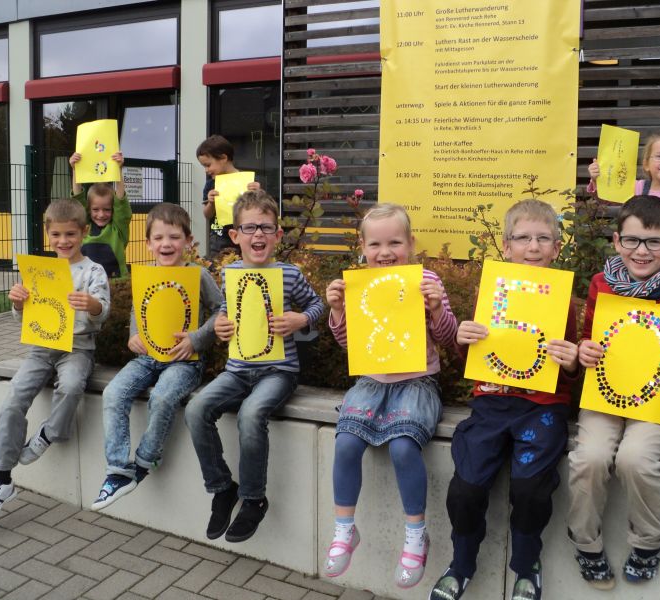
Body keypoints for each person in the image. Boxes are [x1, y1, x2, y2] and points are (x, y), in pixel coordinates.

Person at [429, 199, 580, 600]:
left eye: (543, 238)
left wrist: (571, 362)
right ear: (506, 245)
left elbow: (574, 368)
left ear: (556, 247)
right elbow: (477, 357)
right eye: (523, 237)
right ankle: (461, 564)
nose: (533, 246)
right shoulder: (491, 291)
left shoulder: (562, 299)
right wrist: (464, 341)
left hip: (542, 408)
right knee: (465, 488)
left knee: (531, 490)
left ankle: (527, 564)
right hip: (492, 406)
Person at [568, 194, 660, 588]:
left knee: (635, 458)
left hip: (659, 400)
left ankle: (649, 540)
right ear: (616, 241)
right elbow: (587, 340)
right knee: (591, 458)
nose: (641, 251)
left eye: (653, 242)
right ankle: (585, 541)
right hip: (605, 397)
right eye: (631, 240)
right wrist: (586, 350)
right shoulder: (601, 285)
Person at [323, 203, 459, 589]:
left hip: (418, 382)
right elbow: (349, 343)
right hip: (371, 382)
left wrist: (435, 309)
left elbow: (448, 339)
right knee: (346, 442)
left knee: (403, 447)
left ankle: (416, 534)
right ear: (362, 247)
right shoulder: (357, 284)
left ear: (411, 243)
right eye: (376, 243)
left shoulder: (426, 280)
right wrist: (337, 312)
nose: (385, 252)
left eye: (395, 242)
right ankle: (344, 528)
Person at [184, 190, 324, 543]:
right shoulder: (229, 274)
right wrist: (219, 327)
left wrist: (299, 319)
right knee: (197, 408)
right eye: (249, 228)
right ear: (235, 236)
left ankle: (253, 498)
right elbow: (224, 314)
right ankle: (222, 487)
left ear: (278, 235)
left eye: (266, 227)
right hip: (237, 369)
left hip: (279, 371)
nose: (258, 235)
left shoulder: (289, 274)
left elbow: (318, 308)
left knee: (251, 415)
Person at [0, 198, 110, 516]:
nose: (63, 241)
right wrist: (18, 302)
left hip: (77, 348)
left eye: (70, 235)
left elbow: (103, 312)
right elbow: (24, 318)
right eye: (57, 235)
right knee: (13, 401)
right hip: (41, 349)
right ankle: (2, 480)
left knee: (72, 385)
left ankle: (50, 433)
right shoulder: (40, 270)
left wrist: (91, 305)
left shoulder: (93, 270)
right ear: (47, 235)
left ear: (84, 232)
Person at [91, 203, 223, 510]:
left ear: (189, 241)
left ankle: (145, 460)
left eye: (175, 237)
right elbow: (141, 307)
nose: (167, 244)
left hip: (184, 360)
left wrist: (197, 339)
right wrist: (132, 335)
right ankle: (118, 471)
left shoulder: (198, 274)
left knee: (163, 397)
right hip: (147, 357)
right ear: (149, 243)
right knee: (113, 393)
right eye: (159, 238)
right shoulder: (147, 275)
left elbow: (222, 309)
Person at [587, 132, 660, 274]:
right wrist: (596, 179)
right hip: (637, 254)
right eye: (659, 156)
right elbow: (606, 199)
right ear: (646, 164)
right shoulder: (637, 187)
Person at [69, 151, 131, 278]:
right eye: (95, 209)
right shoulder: (84, 228)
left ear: (113, 210)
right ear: (88, 209)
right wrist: (76, 170)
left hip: (116, 286)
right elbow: (77, 201)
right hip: (87, 284)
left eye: (107, 209)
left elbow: (121, 203)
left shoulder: (117, 230)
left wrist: (118, 169)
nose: (101, 214)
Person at [196, 135, 260, 258]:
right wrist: (211, 203)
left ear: (223, 158)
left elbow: (259, 209)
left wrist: (259, 193)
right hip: (219, 239)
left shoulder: (247, 181)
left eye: (208, 165)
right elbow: (207, 215)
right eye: (204, 166)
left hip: (245, 236)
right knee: (220, 270)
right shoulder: (210, 184)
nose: (206, 170)